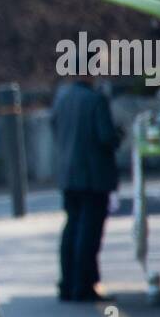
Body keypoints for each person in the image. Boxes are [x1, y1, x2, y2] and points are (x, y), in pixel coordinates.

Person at [52, 77, 121, 302]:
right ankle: (84, 284)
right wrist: (119, 133)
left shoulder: (62, 97)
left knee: (72, 226)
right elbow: (106, 136)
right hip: (92, 176)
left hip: (67, 173)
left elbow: (54, 127)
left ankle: (67, 283)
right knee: (88, 232)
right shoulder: (96, 100)